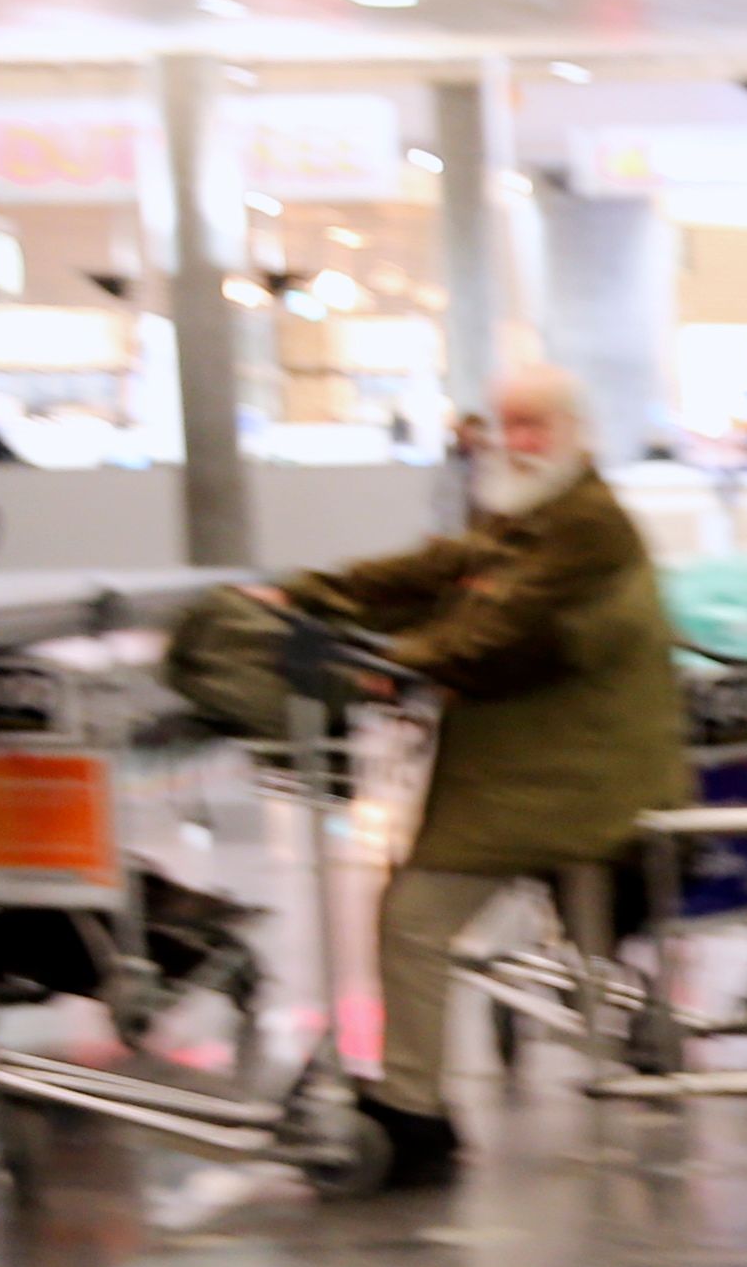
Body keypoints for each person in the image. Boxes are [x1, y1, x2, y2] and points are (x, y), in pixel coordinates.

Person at [267, 367, 682, 1187]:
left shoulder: (586, 526)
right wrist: (305, 595)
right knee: (418, 915)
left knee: (414, 918)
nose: (516, 443)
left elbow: (503, 628)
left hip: (564, 776)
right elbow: (436, 572)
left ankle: (414, 1117)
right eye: (506, 425)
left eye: (535, 426)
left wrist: (398, 664)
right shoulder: (532, 518)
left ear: (576, 433)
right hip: (535, 765)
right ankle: (413, 1102)